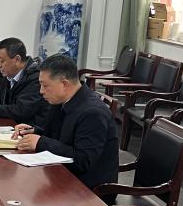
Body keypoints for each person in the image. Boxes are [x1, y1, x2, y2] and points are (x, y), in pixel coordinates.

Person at [13, 53, 118, 195]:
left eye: (45, 86)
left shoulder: (93, 113)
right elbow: (61, 138)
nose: (41, 91)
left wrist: (40, 142)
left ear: (64, 84)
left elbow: (83, 160)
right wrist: (35, 131)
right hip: (63, 175)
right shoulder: (61, 101)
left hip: (89, 191)